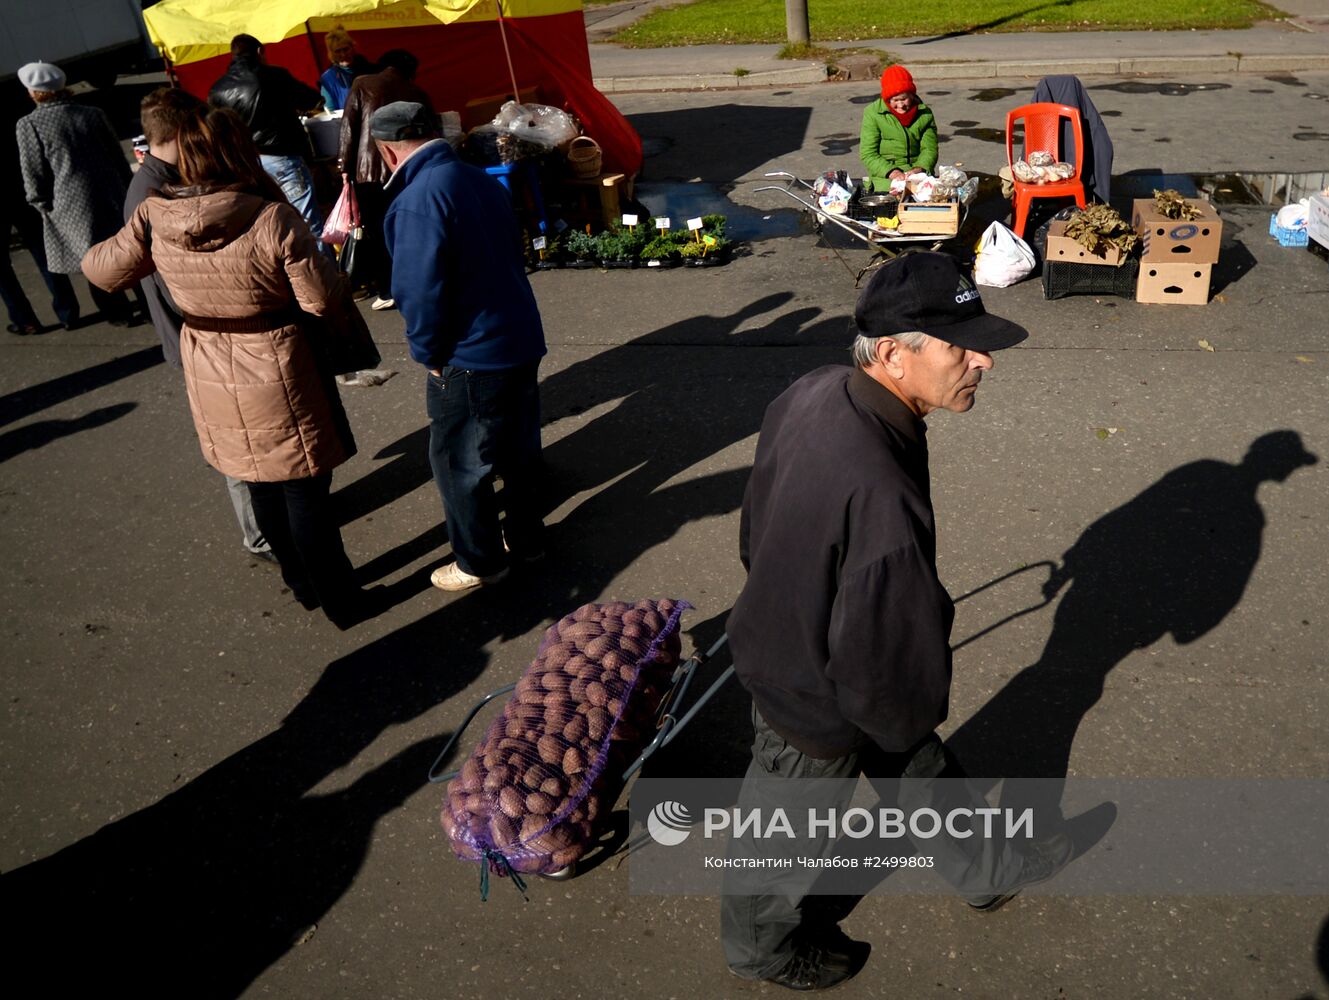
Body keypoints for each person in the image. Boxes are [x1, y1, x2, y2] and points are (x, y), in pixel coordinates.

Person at [720, 253, 1072, 991]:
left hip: (816, 645)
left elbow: (754, 528)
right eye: (961, 348)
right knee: (784, 828)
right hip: (812, 688)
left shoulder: (816, 389)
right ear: (892, 354)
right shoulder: (878, 484)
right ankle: (760, 949)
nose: (983, 362)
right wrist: (902, 708)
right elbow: (888, 636)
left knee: (916, 765)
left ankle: (986, 868)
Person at [83, 107, 377, 630]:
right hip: (276, 358)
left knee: (259, 480)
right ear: (241, 152)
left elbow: (100, 271)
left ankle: (303, 587)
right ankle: (342, 601)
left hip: (209, 359)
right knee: (302, 486)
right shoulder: (271, 217)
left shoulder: (155, 214)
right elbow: (319, 299)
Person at [374, 101, 546, 593]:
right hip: (517, 333)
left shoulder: (417, 199)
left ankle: (479, 560)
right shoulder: (478, 178)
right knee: (518, 451)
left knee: (460, 463)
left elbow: (419, 291)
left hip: (470, 351)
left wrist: (429, 354)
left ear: (388, 150)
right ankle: (528, 540)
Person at [126, 86, 276, 565]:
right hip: (198, 335)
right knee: (235, 440)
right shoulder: (151, 194)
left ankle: (274, 519)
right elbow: (174, 284)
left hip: (202, 334)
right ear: (181, 130)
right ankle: (260, 534)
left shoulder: (162, 180)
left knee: (246, 433)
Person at [15, 60, 138, 326]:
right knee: (125, 250)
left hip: (70, 204)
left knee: (93, 260)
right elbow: (116, 155)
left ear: (35, 92)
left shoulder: (29, 124)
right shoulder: (92, 113)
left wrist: (40, 203)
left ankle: (119, 314)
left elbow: (33, 170)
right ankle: (148, 304)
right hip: (111, 195)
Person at [208, 34, 331, 250]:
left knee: (274, 231)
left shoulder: (218, 89)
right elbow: (311, 99)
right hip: (283, 159)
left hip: (248, 166)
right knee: (309, 227)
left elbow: (217, 131)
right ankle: (323, 271)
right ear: (259, 52)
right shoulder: (274, 76)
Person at [337, 49, 435, 310]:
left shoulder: (362, 84)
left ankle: (388, 289)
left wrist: (344, 166)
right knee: (410, 226)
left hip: (368, 171)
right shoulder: (416, 92)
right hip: (409, 170)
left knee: (377, 232)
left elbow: (348, 127)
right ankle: (420, 281)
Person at [859, 64, 938, 194]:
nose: (900, 105)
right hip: (885, 177)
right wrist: (892, 172)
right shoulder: (872, 113)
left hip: (918, 176)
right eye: (895, 100)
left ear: (912, 95)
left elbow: (930, 149)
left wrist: (920, 169)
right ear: (887, 99)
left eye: (904, 99)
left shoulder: (925, 114)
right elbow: (868, 154)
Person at [319, 26, 375, 112]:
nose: (343, 54)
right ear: (331, 54)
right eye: (338, 51)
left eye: (346, 49)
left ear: (353, 48)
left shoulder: (370, 70)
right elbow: (330, 110)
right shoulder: (328, 79)